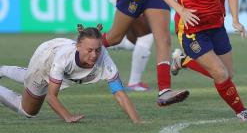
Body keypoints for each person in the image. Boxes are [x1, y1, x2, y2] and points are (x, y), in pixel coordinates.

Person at [0, 24, 141, 123]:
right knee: (29, 111)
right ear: (78, 47)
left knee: (29, 79)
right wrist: (67, 116)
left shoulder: (104, 58)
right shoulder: (63, 59)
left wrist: (137, 121)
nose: (94, 55)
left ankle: (2, 70)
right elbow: (51, 96)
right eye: (90, 50)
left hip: (59, 53)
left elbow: (119, 93)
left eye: (97, 50)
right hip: (44, 61)